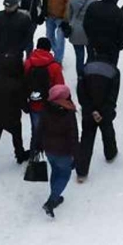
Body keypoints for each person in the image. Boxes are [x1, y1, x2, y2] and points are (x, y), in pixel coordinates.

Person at [40, 83, 79, 217]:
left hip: (49, 149)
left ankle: (55, 197)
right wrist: (76, 155)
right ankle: (52, 200)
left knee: (55, 172)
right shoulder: (68, 113)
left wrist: (38, 146)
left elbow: (40, 129)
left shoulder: (45, 109)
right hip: (64, 151)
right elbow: (73, 135)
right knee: (64, 175)